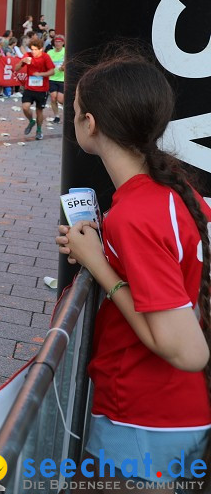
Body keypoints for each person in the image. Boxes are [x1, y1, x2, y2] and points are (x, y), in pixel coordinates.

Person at [55, 53, 210, 488]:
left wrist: (100, 266)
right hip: (176, 414)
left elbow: (188, 350)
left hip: (142, 421)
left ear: (90, 123)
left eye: (74, 113)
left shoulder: (135, 215)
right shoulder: (176, 192)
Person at [15, 36, 55, 141]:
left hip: (42, 89)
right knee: (25, 107)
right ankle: (31, 121)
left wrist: (40, 74)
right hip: (29, 87)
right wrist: (22, 61)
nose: (33, 52)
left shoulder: (45, 57)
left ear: (41, 49)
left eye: (35, 50)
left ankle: (39, 130)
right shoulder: (28, 55)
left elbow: (52, 72)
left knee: (39, 111)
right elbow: (16, 68)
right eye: (31, 49)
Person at [46, 34, 65, 123]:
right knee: (53, 97)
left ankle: (69, 112)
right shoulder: (50, 52)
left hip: (62, 79)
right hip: (52, 78)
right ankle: (56, 116)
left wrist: (64, 67)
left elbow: (68, 64)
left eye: (59, 42)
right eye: (56, 42)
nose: (57, 43)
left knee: (60, 99)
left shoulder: (66, 52)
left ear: (63, 43)